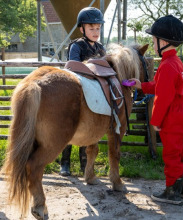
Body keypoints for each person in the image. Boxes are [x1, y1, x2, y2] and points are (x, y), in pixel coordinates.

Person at [131, 15, 183, 205]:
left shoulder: (167, 65)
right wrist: (141, 85)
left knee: (171, 154)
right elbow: (161, 86)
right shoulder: (175, 62)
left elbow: (163, 98)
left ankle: (172, 193)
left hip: (173, 113)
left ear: (163, 41)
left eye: (154, 41)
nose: (153, 45)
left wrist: (156, 121)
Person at [60, 7, 106, 176]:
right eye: (91, 28)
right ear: (82, 29)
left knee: (87, 128)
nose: (95, 32)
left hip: (94, 93)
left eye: (98, 28)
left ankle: (84, 163)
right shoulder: (76, 46)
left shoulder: (101, 48)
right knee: (70, 124)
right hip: (77, 91)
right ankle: (64, 163)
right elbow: (73, 67)